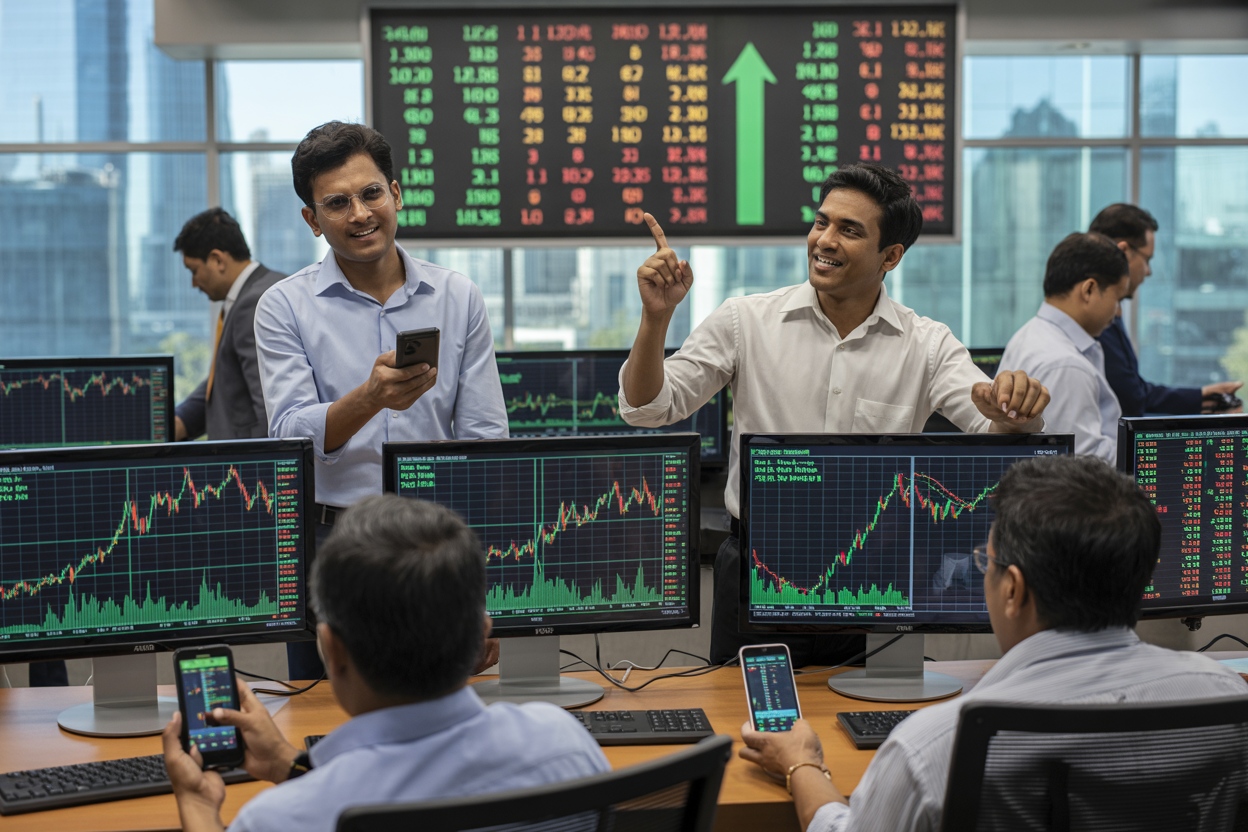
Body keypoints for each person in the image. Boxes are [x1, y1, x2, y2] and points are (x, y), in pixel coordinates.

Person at [617, 163, 1052, 666]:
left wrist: (1014, 409)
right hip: (762, 569)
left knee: (876, 716)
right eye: (822, 222)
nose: (824, 240)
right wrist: (656, 318)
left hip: (878, 573)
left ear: (890, 256)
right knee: (755, 719)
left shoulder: (928, 344)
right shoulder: (746, 321)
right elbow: (649, 409)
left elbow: (991, 430)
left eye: (849, 230)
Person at [738, 454, 1248, 832]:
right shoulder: (1227, 698)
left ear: (1013, 589)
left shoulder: (934, 747)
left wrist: (801, 763)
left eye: (988, 560)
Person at [162, 495, 609, 832]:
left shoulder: (282, 819)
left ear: (331, 650)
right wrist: (289, 764)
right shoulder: (566, 743)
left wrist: (200, 807)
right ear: (481, 637)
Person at [254, 122, 508, 679]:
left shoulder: (457, 295)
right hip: (330, 539)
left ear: (396, 193)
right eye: (337, 203)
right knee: (322, 717)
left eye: (371, 193)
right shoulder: (283, 306)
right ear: (312, 220)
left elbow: (487, 442)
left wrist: (490, 586)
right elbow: (290, 435)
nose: (360, 213)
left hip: (436, 540)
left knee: (440, 714)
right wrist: (369, 399)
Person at [1089, 203, 1242, 416]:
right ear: (1122, 252)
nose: (1149, 271)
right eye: (1147, 259)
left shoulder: (1109, 313)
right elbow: (1130, 400)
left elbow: (1134, 392)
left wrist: (1201, 398)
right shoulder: (1092, 321)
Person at [999, 232, 1130, 463]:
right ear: (1088, 290)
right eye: (1117, 299)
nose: (1118, 311)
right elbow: (1085, 462)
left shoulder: (1030, 334)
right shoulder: (1066, 364)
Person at [173, 208, 287, 441]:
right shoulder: (262, 289)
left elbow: (269, 408)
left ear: (217, 260)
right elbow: (226, 381)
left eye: (194, 270)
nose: (194, 283)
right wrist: (181, 420)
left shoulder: (254, 303)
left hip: (248, 470)